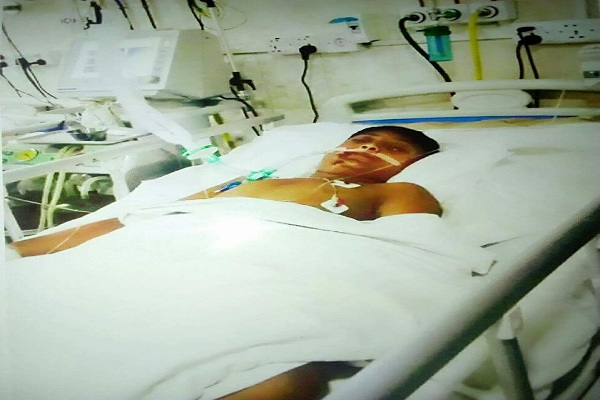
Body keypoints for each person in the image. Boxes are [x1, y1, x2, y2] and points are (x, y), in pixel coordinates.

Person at [8, 125, 441, 399]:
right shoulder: (242, 182)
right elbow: (139, 218)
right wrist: (16, 251)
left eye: (391, 148)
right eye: (360, 141)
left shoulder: (396, 192)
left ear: (410, 165)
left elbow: (409, 251)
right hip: (162, 246)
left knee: (279, 378)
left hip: (264, 259)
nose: (368, 147)